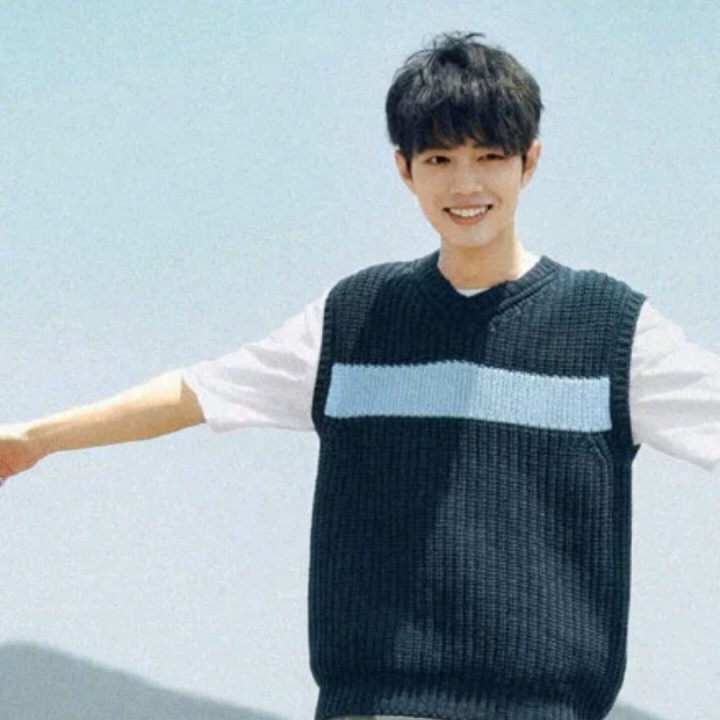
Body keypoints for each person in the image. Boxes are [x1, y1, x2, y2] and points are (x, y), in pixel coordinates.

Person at [1, 31, 718, 720]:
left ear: (529, 162)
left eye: (490, 156)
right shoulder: (354, 321)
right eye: (439, 159)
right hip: (374, 707)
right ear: (404, 169)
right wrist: (35, 438)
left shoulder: (610, 330)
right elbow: (197, 392)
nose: (465, 183)